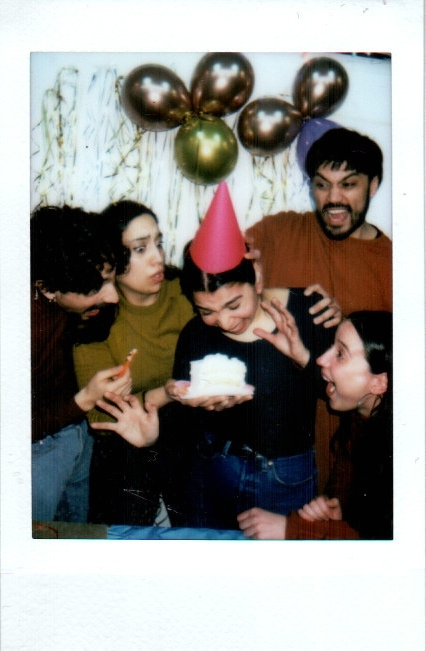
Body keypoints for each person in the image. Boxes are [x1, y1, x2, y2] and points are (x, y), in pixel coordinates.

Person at [166, 182, 339, 531]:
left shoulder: (308, 311)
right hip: (213, 466)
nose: (224, 321)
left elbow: (335, 394)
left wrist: (302, 357)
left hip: (284, 475)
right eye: (207, 310)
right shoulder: (195, 333)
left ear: (257, 278)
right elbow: (185, 413)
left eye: (234, 304)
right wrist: (186, 399)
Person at [246, 127, 392, 493]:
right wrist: (248, 277)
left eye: (349, 184)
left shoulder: (395, 265)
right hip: (261, 453)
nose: (334, 199)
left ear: (373, 186)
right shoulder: (278, 232)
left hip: (344, 462)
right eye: (322, 185)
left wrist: (349, 328)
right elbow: (209, 271)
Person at [73, 200, 196, 526]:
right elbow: (101, 413)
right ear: (114, 259)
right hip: (126, 446)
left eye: (158, 243)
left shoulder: (185, 291)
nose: (157, 257)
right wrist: (166, 393)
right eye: (140, 249)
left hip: (190, 434)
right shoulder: (97, 315)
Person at [237, 310, 393, 540]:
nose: (321, 360)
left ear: (379, 383)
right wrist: (340, 516)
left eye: (340, 354)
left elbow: (393, 544)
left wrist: (292, 529)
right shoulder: (361, 418)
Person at [31, 205, 132, 524]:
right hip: (37, 450)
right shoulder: (23, 330)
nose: (113, 296)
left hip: (76, 435)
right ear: (47, 287)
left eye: (111, 280)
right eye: (96, 287)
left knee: (76, 534)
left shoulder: (66, 301)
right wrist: (86, 399)